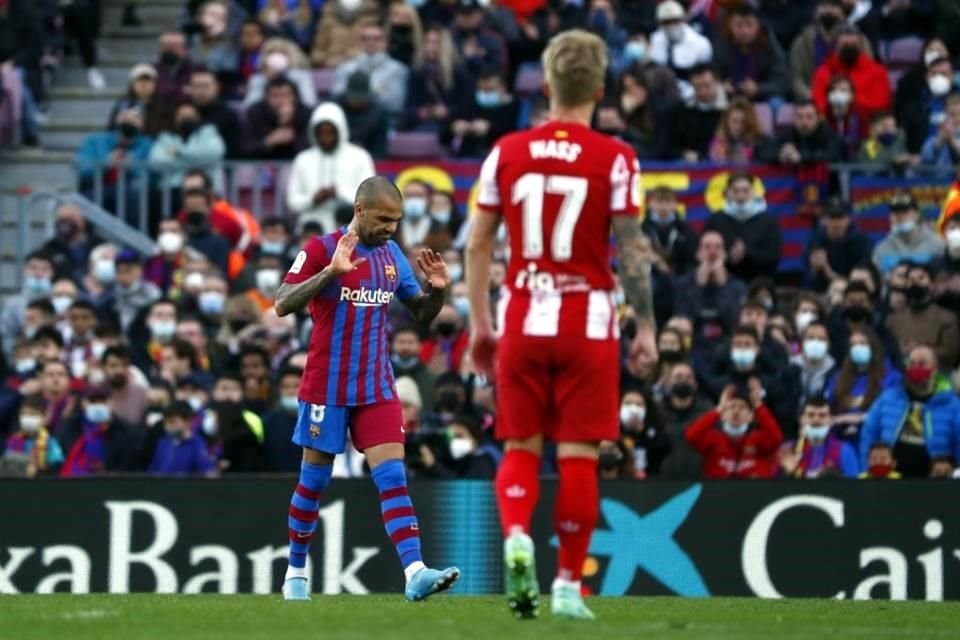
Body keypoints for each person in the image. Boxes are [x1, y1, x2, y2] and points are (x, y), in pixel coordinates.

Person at [465, 30, 656, 621]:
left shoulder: (507, 151)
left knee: (520, 445)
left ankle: (518, 534)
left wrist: (479, 324)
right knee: (578, 454)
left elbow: (476, 244)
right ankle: (570, 586)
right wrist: (645, 324)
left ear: (545, 86)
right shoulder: (617, 158)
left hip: (522, 315)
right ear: (600, 90)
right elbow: (632, 249)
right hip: (587, 320)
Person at [273, 176, 460, 602]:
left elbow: (423, 314)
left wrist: (439, 292)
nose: (392, 228)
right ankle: (296, 573)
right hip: (326, 387)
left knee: (393, 476)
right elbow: (282, 302)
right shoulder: (322, 249)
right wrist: (329, 274)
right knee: (313, 483)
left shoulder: (392, 254)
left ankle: (415, 571)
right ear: (359, 212)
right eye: (383, 220)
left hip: (376, 385)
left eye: (395, 220)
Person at [779, 398, 859, 478]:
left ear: (831, 421)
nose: (816, 420)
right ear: (801, 420)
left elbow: (853, 488)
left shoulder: (845, 451)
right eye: (810, 415)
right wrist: (786, 473)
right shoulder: (787, 450)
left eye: (822, 415)